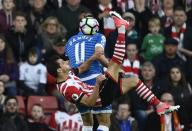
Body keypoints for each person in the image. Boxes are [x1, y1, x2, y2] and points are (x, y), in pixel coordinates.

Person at [46, 11, 180, 130]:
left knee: (133, 81)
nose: (65, 62)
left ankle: (159, 105)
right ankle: (122, 28)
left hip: (93, 89)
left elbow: (81, 68)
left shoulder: (69, 49)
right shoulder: (98, 37)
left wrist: (92, 59)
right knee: (116, 63)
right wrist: (101, 78)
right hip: (98, 93)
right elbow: (100, 56)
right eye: (63, 62)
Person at [65, 16, 110, 130]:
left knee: (87, 123)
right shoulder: (98, 36)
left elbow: (69, 63)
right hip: (94, 80)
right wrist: (112, 67)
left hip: (76, 83)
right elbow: (99, 54)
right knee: (105, 121)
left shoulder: (70, 41)